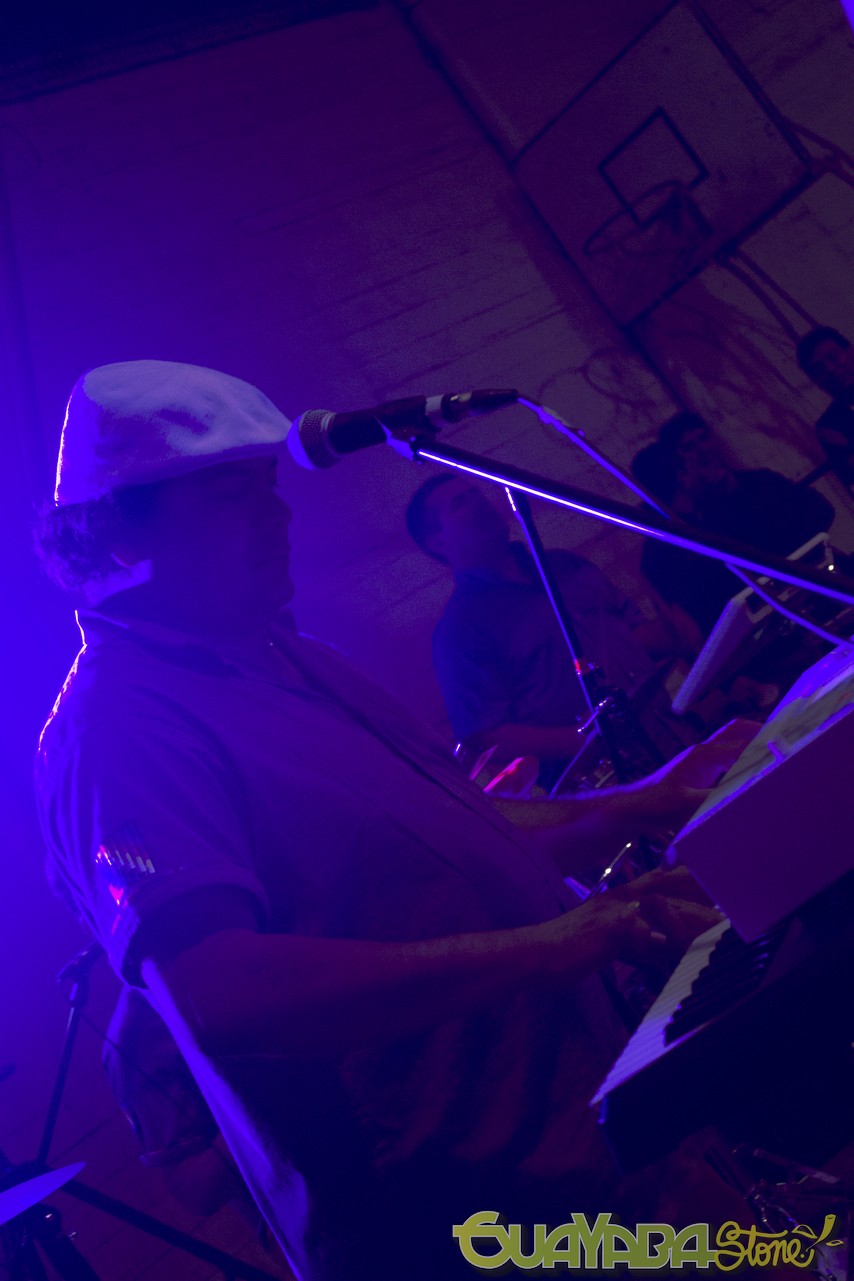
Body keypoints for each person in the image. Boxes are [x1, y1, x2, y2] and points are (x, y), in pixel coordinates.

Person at [35, 360, 754, 1281]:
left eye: (267, 486)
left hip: (597, 1147)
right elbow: (221, 990)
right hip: (467, 1223)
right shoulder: (119, 727)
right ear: (123, 531)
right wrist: (558, 943)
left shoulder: (297, 659)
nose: (277, 513)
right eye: (229, 497)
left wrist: (644, 799)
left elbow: (452, 835)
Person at [406, 471, 696, 788]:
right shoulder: (459, 632)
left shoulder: (565, 566)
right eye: (460, 503)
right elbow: (486, 736)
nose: (479, 504)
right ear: (437, 542)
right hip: (606, 780)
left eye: (476, 494)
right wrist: (587, 739)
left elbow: (631, 635)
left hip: (672, 736)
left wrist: (686, 635)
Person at [632, 412, 836, 639]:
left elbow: (819, 510)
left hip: (819, 581)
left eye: (703, 438)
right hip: (779, 624)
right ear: (681, 470)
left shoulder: (760, 482)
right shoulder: (701, 522)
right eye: (689, 447)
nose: (702, 450)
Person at [796, 325, 854, 487]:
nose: (830, 369)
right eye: (819, 370)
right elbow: (848, 473)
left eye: (834, 357)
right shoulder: (830, 426)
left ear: (850, 351)